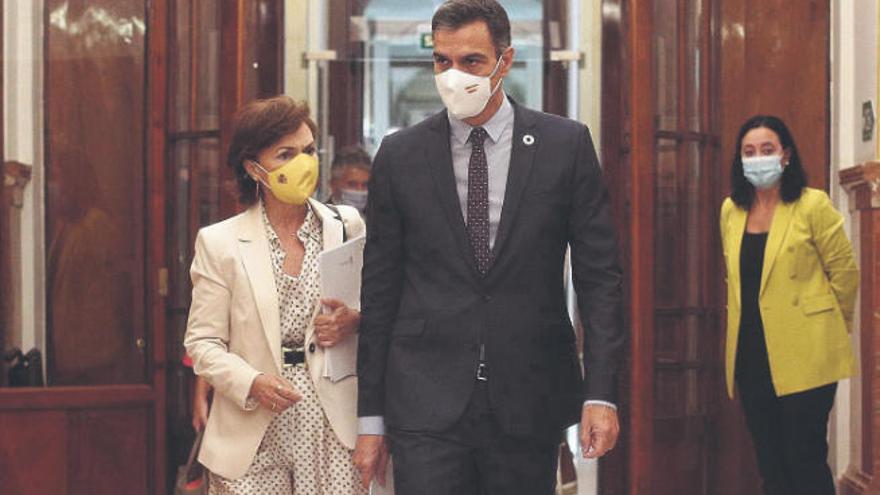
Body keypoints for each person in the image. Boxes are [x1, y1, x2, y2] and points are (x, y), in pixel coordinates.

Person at [353, 1, 624, 493]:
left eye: (471, 61)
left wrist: (600, 393)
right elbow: (380, 291)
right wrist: (371, 418)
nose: (454, 75)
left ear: (506, 60)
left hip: (528, 394)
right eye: (441, 61)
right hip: (424, 399)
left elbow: (599, 278)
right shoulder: (400, 155)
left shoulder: (565, 146)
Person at [184, 95, 368, 494]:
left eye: (308, 150)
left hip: (331, 422)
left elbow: (377, 306)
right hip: (252, 426)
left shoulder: (345, 225)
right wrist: (251, 382)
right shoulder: (221, 243)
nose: (304, 163)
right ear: (254, 169)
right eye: (286, 154)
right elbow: (203, 342)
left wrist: (354, 319)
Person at [720, 115, 858, 495]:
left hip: (807, 354)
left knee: (805, 458)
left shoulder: (813, 204)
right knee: (770, 462)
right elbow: (734, 280)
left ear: (785, 156)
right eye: (749, 152)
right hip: (751, 356)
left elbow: (845, 273)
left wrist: (830, 328)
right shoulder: (731, 210)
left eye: (767, 149)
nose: (758, 158)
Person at [328, 145, 371, 213]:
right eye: (352, 184)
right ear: (333, 185)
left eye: (364, 185)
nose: (359, 190)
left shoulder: (375, 218)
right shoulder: (319, 218)